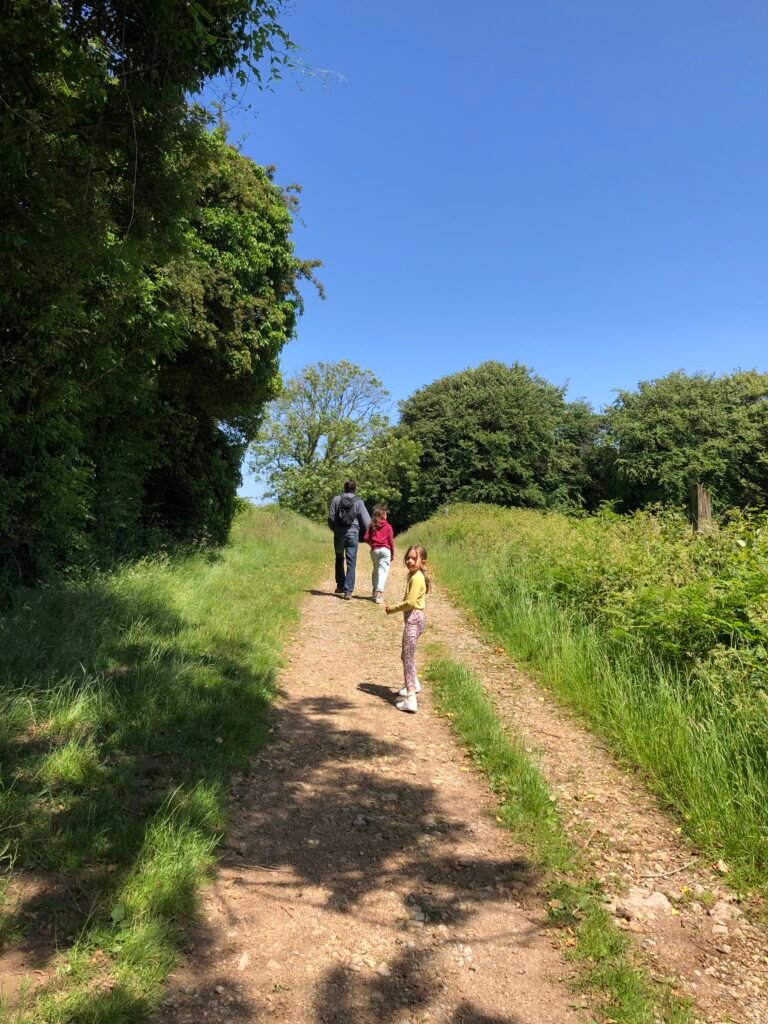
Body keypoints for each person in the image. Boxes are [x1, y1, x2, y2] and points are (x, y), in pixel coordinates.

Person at [385, 544, 430, 713]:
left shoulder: (417, 577)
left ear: (422, 562)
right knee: (406, 654)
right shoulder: (414, 575)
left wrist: (393, 608)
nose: (410, 561)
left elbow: (411, 603)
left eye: (414, 558)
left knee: (408, 658)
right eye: (408, 557)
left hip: (414, 620)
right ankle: (414, 684)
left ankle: (411, 698)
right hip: (415, 620)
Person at [327, 479, 371, 599]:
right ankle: (348, 591)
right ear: (355, 489)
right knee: (351, 562)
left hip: (339, 533)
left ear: (344, 488)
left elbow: (330, 517)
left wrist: (334, 529)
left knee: (339, 557)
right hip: (353, 533)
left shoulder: (336, 499)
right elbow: (367, 522)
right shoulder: (359, 501)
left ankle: (340, 585)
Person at [364, 505, 395, 604]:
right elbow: (391, 541)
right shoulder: (388, 527)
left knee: (376, 570)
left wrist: (372, 545)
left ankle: (374, 591)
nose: (387, 515)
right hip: (385, 551)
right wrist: (392, 553)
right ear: (383, 516)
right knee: (383, 572)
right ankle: (378, 593)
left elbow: (366, 538)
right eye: (385, 513)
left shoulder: (372, 526)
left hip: (375, 551)